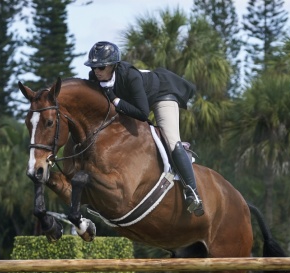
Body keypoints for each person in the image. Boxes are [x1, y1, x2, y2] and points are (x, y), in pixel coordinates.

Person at [84, 41, 203, 216]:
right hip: (134, 101)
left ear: (113, 65)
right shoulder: (94, 77)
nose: (97, 71)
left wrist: (115, 100)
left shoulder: (129, 75)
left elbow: (141, 112)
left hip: (161, 95)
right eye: (94, 67)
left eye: (101, 67)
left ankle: (192, 192)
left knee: (171, 141)